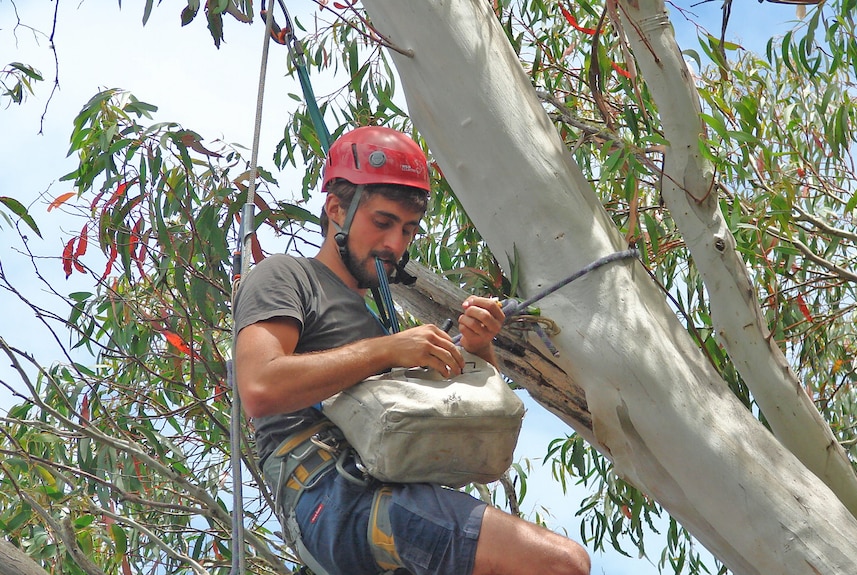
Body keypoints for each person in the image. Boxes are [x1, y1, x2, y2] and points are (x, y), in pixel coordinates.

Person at [234, 126, 591, 575]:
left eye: (407, 230)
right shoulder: (286, 277)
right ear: (336, 209)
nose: (394, 244)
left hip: (381, 493)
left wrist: (478, 349)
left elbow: (467, 433)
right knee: (560, 565)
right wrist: (388, 350)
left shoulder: (374, 322)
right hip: (335, 496)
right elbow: (260, 386)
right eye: (382, 223)